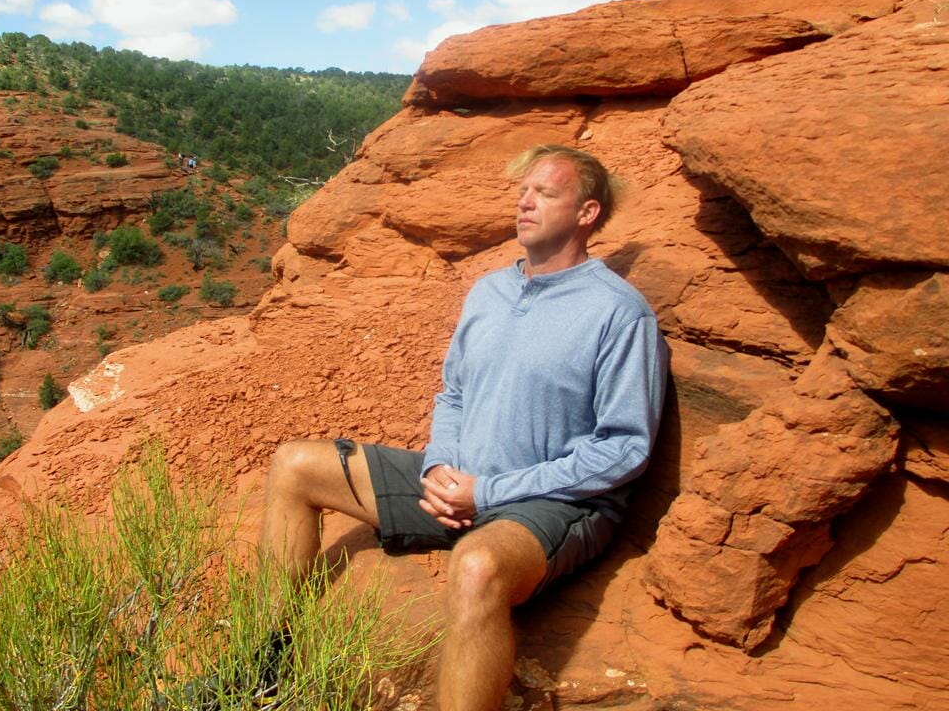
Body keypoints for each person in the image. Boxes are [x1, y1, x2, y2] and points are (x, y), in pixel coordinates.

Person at [260, 144, 668, 711]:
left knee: (475, 568)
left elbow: (625, 448)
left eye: (545, 193)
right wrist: (438, 466)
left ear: (587, 213)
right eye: (523, 191)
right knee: (293, 466)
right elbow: (453, 393)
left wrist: (489, 492)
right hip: (459, 480)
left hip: (552, 504)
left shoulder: (618, 312)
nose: (525, 203)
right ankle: (264, 668)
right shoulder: (490, 290)